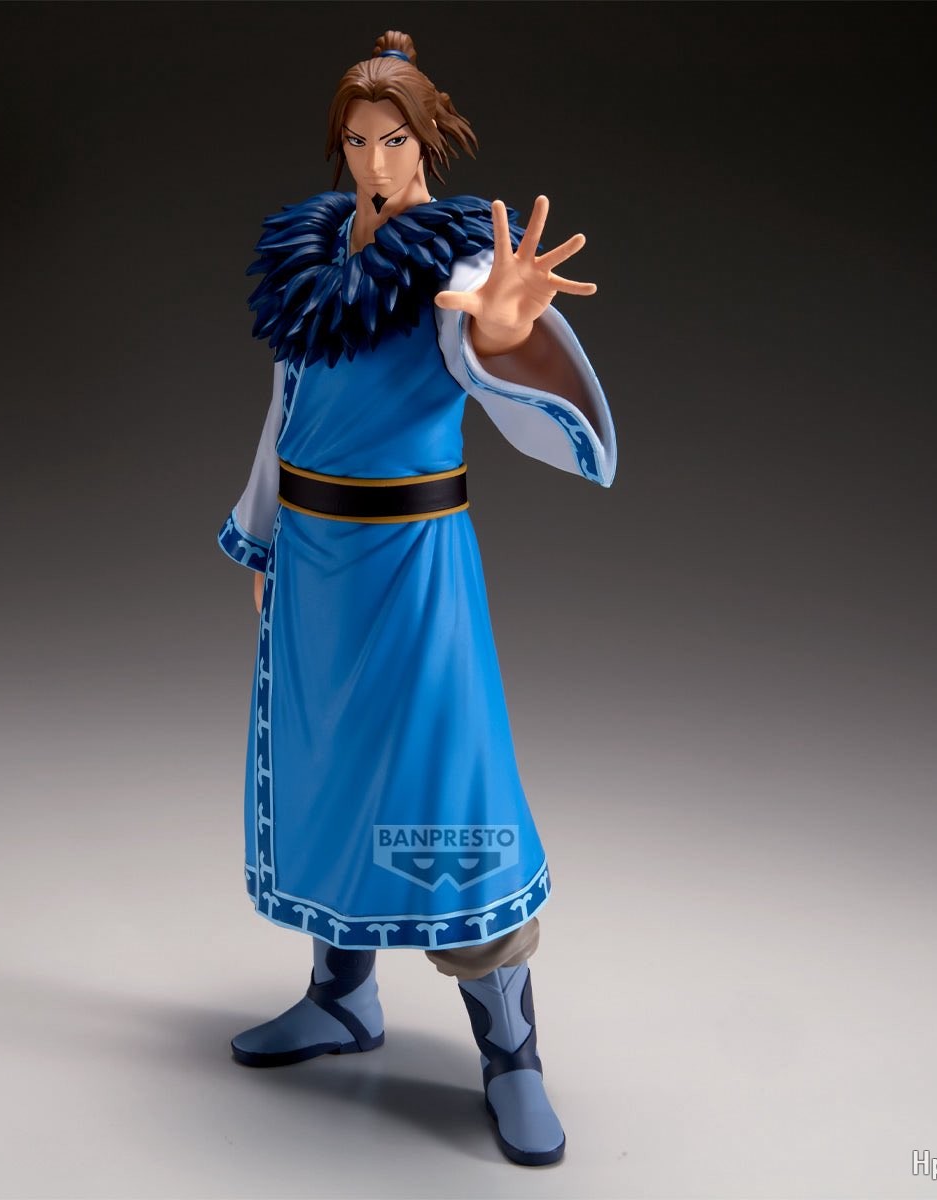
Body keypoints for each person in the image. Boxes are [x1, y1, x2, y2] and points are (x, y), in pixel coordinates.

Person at [217, 30, 616, 1167]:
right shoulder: (313, 252)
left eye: (393, 140)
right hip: (316, 565)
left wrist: (506, 323)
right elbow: (286, 410)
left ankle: (512, 1053)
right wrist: (261, 543)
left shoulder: (455, 258)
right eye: (356, 141)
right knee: (324, 772)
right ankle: (342, 997)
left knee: (449, 784)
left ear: (427, 141)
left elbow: (479, 338)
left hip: (410, 563)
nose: (374, 162)